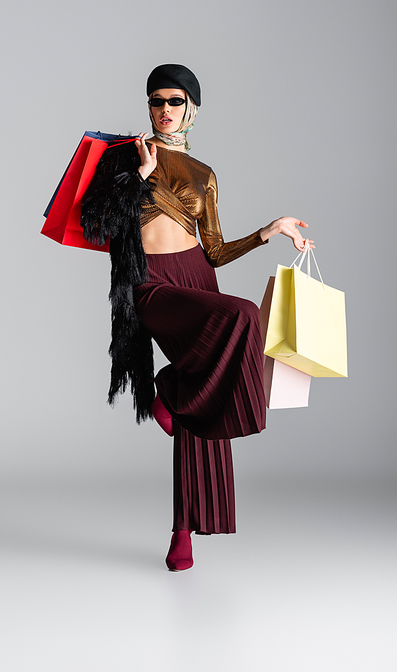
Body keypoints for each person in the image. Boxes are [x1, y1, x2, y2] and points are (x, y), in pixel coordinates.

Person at [81, 64, 312, 571]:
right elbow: (94, 223)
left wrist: (269, 231)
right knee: (244, 316)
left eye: (175, 101)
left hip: (197, 276)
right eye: (156, 101)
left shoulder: (204, 175)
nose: (165, 110)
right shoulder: (125, 158)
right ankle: (168, 392)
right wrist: (138, 179)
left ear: (193, 109)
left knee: (198, 410)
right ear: (148, 107)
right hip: (151, 281)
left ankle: (182, 532)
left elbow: (214, 250)